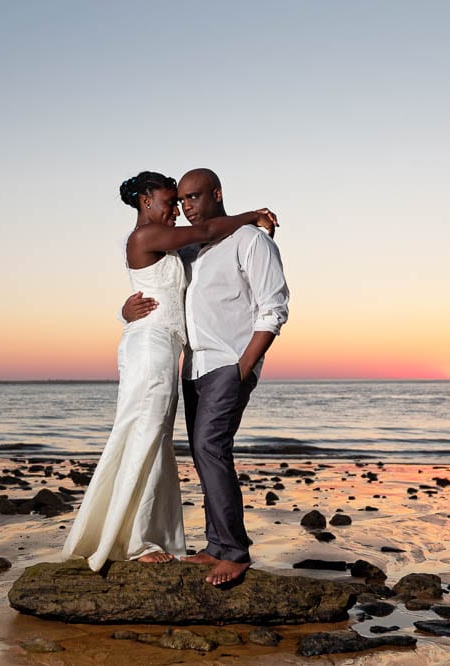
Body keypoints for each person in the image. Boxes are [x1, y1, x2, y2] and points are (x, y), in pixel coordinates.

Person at [61, 171, 277, 572]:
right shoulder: (149, 237)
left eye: (182, 202)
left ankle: (158, 537)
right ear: (145, 202)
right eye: (170, 202)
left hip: (178, 353)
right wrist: (252, 214)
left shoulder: (189, 243)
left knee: (156, 439)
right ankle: (141, 542)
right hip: (154, 350)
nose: (178, 210)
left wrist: (244, 364)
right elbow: (209, 230)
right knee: (147, 436)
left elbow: (187, 283)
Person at [122, 168, 289, 585]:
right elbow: (158, 292)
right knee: (202, 452)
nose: (186, 208)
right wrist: (125, 311)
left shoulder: (251, 241)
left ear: (216, 194)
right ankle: (217, 544)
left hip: (227, 363)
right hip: (191, 365)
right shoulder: (191, 249)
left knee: (210, 447)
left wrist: (244, 367)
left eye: (194, 198)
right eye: (180, 201)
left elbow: (274, 308)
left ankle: (234, 552)